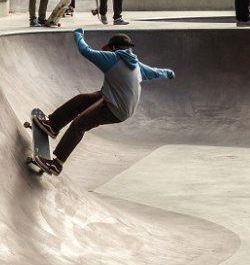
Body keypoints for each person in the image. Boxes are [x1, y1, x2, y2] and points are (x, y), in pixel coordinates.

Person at [29, 28, 175, 176]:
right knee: (83, 100)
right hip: (115, 99)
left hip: (115, 108)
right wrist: (167, 73)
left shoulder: (112, 58)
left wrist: (78, 34)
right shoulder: (136, 64)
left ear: (113, 48)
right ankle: (53, 125)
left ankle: (56, 163)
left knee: (80, 123)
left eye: (109, 50)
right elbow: (154, 72)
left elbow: (85, 50)